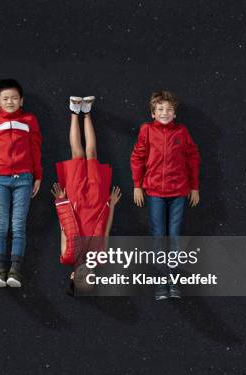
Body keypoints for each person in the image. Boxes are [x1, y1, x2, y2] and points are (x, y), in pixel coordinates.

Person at [130, 90, 201, 300]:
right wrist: (137, 185)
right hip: (154, 192)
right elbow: (137, 157)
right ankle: (161, 282)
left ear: (175, 113)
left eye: (169, 109)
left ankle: (174, 280)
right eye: (160, 109)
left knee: (175, 235)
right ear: (153, 113)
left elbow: (193, 158)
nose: (165, 112)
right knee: (159, 235)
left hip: (179, 191)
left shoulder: (181, 132)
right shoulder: (146, 130)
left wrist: (194, 186)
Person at [52, 96, 122, 295]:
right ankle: (87, 112)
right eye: (90, 278)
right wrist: (112, 205)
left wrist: (60, 201)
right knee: (92, 154)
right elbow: (106, 231)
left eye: (81, 278)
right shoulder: (100, 258)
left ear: (72, 276)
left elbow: (63, 229)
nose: (86, 274)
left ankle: (75, 112)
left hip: (74, 203)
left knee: (77, 155)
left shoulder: (67, 257)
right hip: (97, 203)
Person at [0, 79, 42, 288]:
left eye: (14, 98)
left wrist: (38, 176)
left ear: (21, 100)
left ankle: (15, 271)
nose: (10, 102)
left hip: (24, 178)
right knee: (0, 226)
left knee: (18, 226)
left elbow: (35, 148)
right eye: (5, 98)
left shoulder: (29, 120)